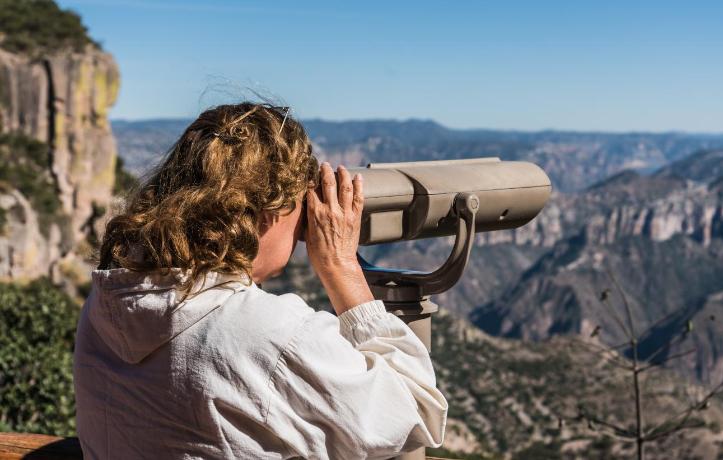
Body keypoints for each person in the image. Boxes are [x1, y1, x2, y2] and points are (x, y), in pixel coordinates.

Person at [73, 103, 448, 459]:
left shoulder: (108, 302)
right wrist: (340, 265)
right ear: (270, 211)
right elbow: (416, 410)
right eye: (302, 203)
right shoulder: (270, 336)